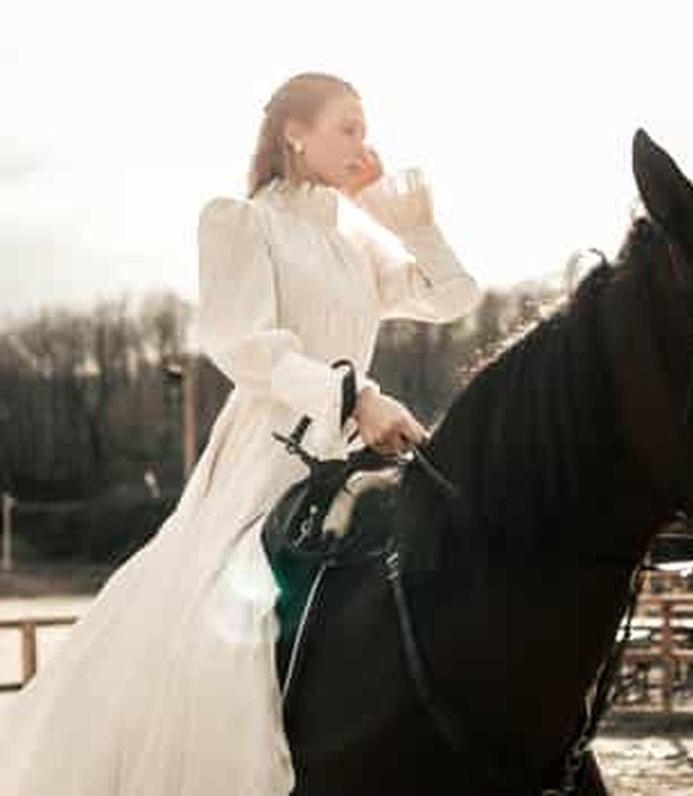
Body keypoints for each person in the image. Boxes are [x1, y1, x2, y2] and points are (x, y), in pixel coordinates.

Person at [0, 70, 481, 795]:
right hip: (269, 450)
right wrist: (355, 399)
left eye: (365, 127)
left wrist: (403, 219)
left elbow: (454, 297)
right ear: (296, 131)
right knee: (228, 634)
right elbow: (242, 344)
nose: (363, 141)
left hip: (350, 450)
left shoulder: (353, 241)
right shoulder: (238, 219)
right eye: (348, 125)